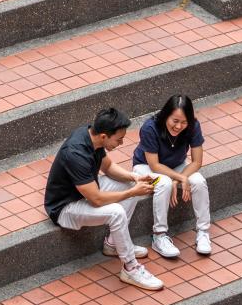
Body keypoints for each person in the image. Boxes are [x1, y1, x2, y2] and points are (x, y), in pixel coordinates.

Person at [44, 107, 164, 291]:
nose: (122, 143)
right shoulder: (75, 153)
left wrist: (135, 178)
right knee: (117, 212)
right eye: (119, 139)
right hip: (65, 207)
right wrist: (133, 192)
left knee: (130, 185)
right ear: (103, 136)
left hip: (86, 192)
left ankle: (113, 244)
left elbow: (107, 167)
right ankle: (130, 268)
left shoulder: (92, 136)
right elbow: (97, 200)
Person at [131, 95, 212, 258]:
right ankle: (159, 236)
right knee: (164, 183)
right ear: (166, 115)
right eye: (175, 121)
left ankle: (203, 232)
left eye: (184, 122)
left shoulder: (193, 126)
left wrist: (178, 178)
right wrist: (179, 178)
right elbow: (154, 165)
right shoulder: (150, 127)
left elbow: (197, 162)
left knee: (199, 181)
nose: (179, 126)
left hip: (176, 166)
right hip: (145, 167)